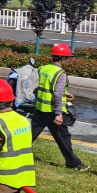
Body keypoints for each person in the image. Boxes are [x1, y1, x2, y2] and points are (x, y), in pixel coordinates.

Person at [31, 43, 89, 171]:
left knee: (30, 135)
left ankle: (13, 152)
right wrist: (58, 114)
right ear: (62, 59)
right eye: (67, 58)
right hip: (53, 112)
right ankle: (74, 164)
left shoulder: (43, 68)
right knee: (64, 138)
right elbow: (56, 94)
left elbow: (44, 87)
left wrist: (64, 93)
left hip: (40, 109)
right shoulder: (60, 73)